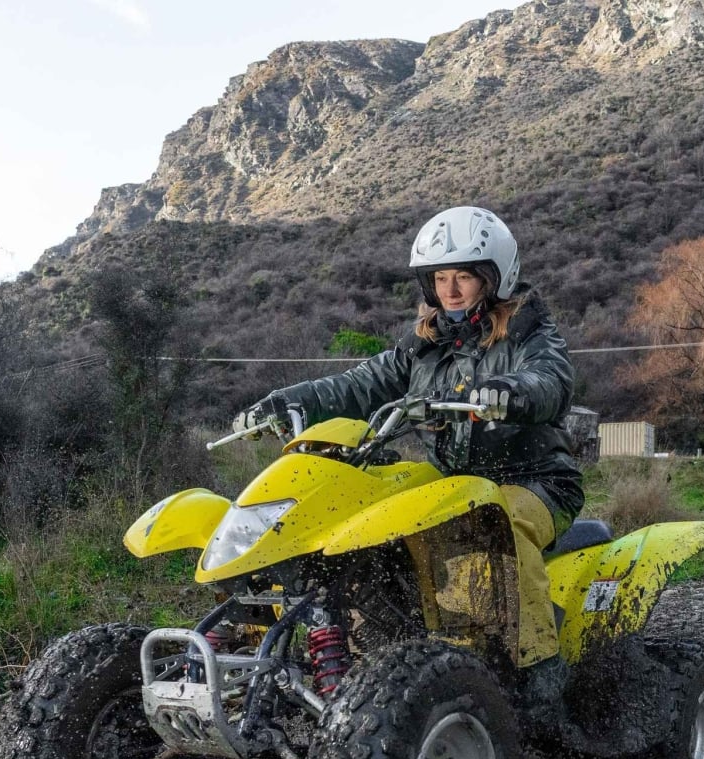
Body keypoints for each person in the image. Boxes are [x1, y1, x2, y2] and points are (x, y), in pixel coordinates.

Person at [234, 205, 584, 675]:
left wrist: (511, 391)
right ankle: (375, 654)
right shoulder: (424, 344)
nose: (450, 290)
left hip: (535, 481)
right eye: (440, 278)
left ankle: (536, 671)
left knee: (496, 525)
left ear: (494, 278)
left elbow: (551, 379)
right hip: (450, 481)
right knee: (369, 523)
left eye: (463, 277)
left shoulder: (529, 332)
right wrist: (289, 400)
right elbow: (359, 385)